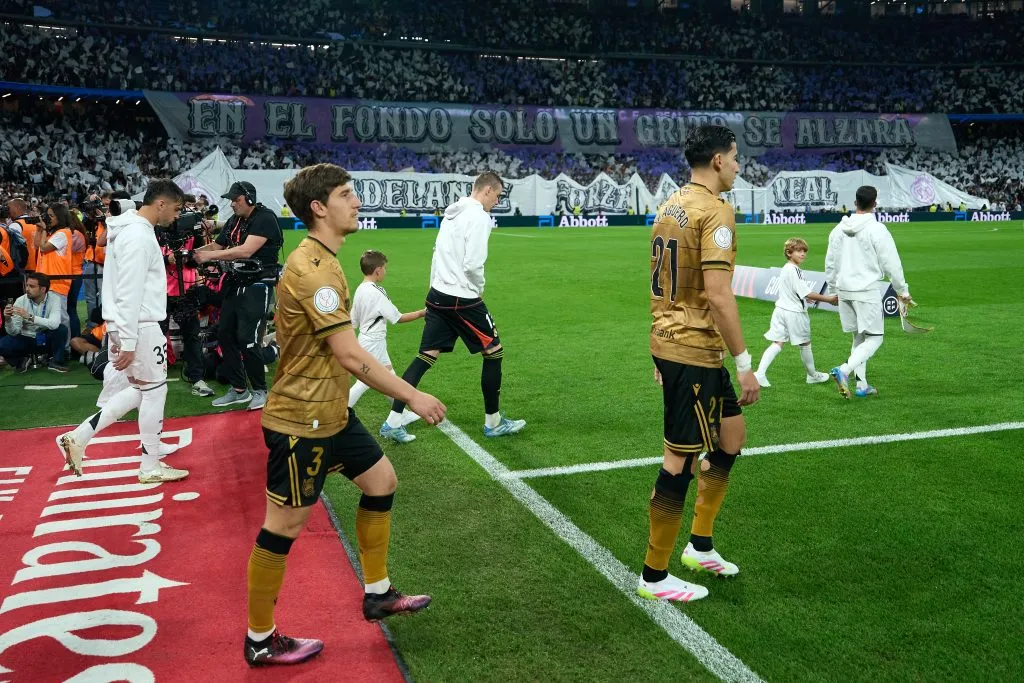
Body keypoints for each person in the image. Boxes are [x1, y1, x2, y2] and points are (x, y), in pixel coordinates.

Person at [245, 163, 446, 667]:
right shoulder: (312, 269)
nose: (356, 201)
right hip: (301, 421)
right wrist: (414, 397)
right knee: (282, 528)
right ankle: (259, 638)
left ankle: (377, 592)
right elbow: (351, 356)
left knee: (382, 482)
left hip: (331, 412)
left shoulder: (328, 259)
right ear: (319, 207)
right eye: (346, 194)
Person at [637, 125, 760, 604]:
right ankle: (654, 575)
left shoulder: (669, 204)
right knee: (680, 459)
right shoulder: (716, 210)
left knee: (731, 438)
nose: (737, 165)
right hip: (691, 347)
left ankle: (700, 545)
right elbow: (717, 292)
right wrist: (745, 362)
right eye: (734, 157)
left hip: (680, 344)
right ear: (716, 160)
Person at [55, 180, 189, 484]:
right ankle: (149, 464)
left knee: (141, 390)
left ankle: (80, 435)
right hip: (138, 326)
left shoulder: (125, 230)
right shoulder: (139, 236)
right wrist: (127, 339)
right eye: (177, 208)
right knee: (155, 390)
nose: (178, 216)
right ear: (161, 204)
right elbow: (130, 291)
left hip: (124, 324)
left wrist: (120, 334)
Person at [380, 171, 525, 444]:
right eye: (497, 195)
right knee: (494, 352)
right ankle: (493, 422)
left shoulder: (452, 214)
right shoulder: (480, 217)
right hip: (462, 298)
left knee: (426, 356)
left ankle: (392, 421)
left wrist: (433, 288)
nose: (498, 200)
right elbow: (472, 264)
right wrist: (478, 287)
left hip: (438, 294)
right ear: (486, 191)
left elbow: (437, 253)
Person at [194, 181, 283, 411]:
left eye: (236, 200)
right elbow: (218, 245)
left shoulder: (265, 217)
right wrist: (195, 253)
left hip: (258, 284)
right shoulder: (235, 220)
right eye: (231, 200)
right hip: (235, 283)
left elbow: (246, 250)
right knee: (225, 335)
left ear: (249, 199)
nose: (232, 204)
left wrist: (210, 257)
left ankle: (261, 390)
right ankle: (239, 390)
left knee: (248, 338)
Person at [824, 185, 911, 399]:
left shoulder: (838, 229)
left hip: (844, 290)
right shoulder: (877, 229)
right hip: (866, 290)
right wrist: (902, 290)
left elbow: (830, 263)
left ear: (855, 203)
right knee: (875, 338)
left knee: (859, 337)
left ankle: (862, 384)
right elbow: (892, 263)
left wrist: (834, 289)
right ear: (875, 203)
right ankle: (843, 370)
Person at [348, 249, 426, 416]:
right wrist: (422, 313)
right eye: (384, 268)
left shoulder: (360, 289)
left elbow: (353, 321)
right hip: (374, 343)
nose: (386, 271)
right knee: (365, 382)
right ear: (378, 270)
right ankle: (338, 412)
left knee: (390, 378)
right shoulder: (377, 293)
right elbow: (397, 318)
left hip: (368, 340)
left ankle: (400, 414)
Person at [753, 238, 839, 387]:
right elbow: (805, 291)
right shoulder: (794, 270)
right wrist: (828, 299)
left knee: (777, 343)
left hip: (780, 310)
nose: (803, 254)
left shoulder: (786, 268)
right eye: (799, 251)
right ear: (789, 252)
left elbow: (796, 291)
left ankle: (759, 374)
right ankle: (812, 375)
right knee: (805, 343)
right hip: (794, 313)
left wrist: (806, 297)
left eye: (804, 251)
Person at [1, 272, 69, 373]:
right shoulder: (20, 301)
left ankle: (56, 361)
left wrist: (30, 317)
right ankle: (21, 361)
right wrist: (8, 319)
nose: (27, 289)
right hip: (26, 339)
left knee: (61, 329)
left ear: (43, 289)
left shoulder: (54, 299)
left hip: (46, 338)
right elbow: (14, 332)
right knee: (2, 344)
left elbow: (54, 324)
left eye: (32, 286)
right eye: (27, 285)